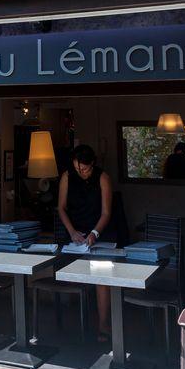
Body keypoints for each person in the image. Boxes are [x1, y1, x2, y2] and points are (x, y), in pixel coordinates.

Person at [57, 143, 113, 340]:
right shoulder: (67, 176)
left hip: (98, 232)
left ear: (93, 164)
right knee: (66, 269)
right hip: (75, 233)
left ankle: (104, 325)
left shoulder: (102, 177)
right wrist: (72, 231)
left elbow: (107, 212)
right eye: (78, 168)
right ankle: (68, 325)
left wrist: (95, 233)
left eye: (86, 169)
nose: (82, 172)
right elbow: (61, 207)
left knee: (101, 276)